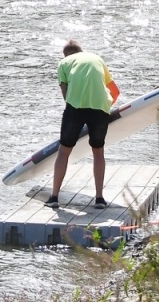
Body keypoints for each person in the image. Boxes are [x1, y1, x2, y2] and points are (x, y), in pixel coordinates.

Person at [45, 40, 120, 210]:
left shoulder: (63, 63)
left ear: (67, 55)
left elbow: (66, 95)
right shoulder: (97, 59)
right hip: (100, 108)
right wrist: (106, 106)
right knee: (98, 152)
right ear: (81, 51)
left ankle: (54, 197)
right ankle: (99, 199)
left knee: (64, 151)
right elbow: (115, 91)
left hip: (76, 108)